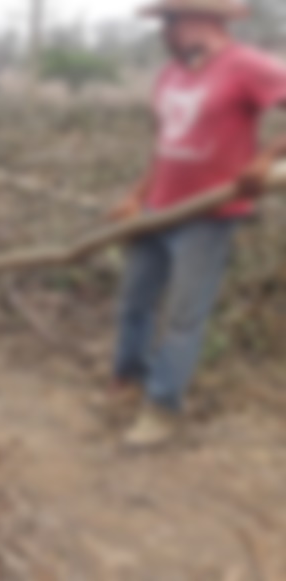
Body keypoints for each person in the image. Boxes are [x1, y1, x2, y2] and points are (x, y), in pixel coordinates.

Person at [108, 0, 286, 447]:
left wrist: (265, 159)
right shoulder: (169, 74)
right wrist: (136, 195)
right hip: (158, 210)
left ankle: (162, 408)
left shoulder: (248, 66)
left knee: (184, 319)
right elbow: (165, 145)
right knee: (134, 301)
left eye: (166, 22)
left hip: (207, 217)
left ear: (193, 21)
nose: (162, 33)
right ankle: (128, 381)